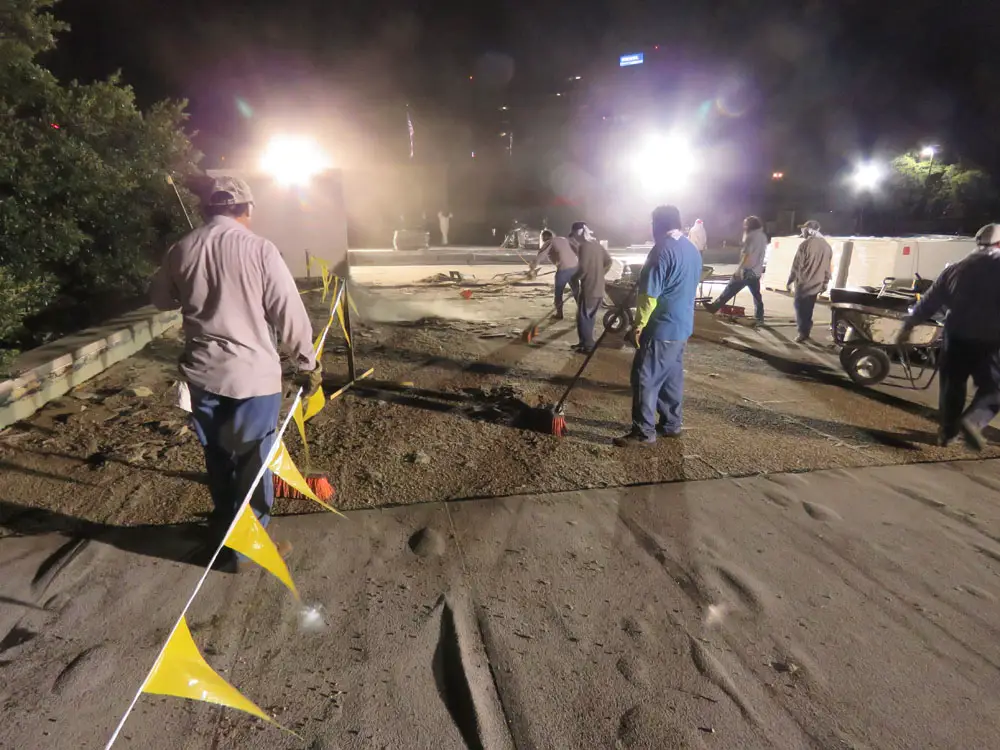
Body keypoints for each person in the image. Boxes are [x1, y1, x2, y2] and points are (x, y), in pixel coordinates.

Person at [150, 176, 321, 567]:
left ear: (206, 210)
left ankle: (226, 530)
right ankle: (249, 543)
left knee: (218, 456)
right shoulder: (260, 249)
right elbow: (289, 312)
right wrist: (307, 362)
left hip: (202, 376)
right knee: (252, 459)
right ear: (245, 210)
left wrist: (181, 285)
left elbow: (159, 299)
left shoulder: (181, 248)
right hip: (252, 378)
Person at [896, 223, 1000, 451]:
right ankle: (972, 422)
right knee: (993, 389)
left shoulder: (955, 269)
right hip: (991, 339)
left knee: (952, 386)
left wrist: (908, 326)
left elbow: (928, 302)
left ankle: (947, 433)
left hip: (956, 336)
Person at [614, 206, 702, 446]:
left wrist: (638, 326)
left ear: (656, 225)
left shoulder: (661, 250)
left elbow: (649, 296)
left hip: (661, 328)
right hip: (682, 328)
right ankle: (671, 424)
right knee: (671, 378)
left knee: (645, 378)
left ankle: (643, 432)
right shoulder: (691, 248)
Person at [703, 215, 767, 324]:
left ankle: (714, 307)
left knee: (730, 288)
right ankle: (759, 316)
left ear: (750, 225)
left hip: (747, 270)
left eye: (745, 224)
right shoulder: (762, 236)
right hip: (756, 271)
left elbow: (746, 255)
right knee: (756, 295)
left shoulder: (750, 237)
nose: (744, 226)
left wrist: (739, 269)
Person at [568, 221, 612, 353]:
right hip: (598, 288)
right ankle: (584, 343)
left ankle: (588, 346)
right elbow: (609, 261)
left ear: (578, 232)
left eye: (574, 235)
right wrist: (600, 274)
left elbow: (583, 269)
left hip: (589, 288)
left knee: (583, 317)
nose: (574, 239)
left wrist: (574, 279)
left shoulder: (584, 246)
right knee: (587, 317)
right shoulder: (597, 245)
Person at [787, 219, 833, 343]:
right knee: (809, 308)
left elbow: (796, 266)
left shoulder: (805, 245)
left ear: (808, 229)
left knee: (800, 308)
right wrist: (825, 283)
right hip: (817, 284)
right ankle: (806, 329)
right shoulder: (827, 246)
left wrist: (790, 280)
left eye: (804, 228)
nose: (802, 231)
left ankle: (803, 332)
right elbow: (828, 268)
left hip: (804, 284)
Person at [530, 229, 579, 319]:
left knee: (558, 293)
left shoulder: (549, 242)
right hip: (575, 268)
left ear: (544, 237)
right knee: (577, 292)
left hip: (563, 270)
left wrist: (532, 268)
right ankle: (582, 314)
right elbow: (577, 250)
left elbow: (540, 255)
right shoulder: (564, 239)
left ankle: (559, 314)